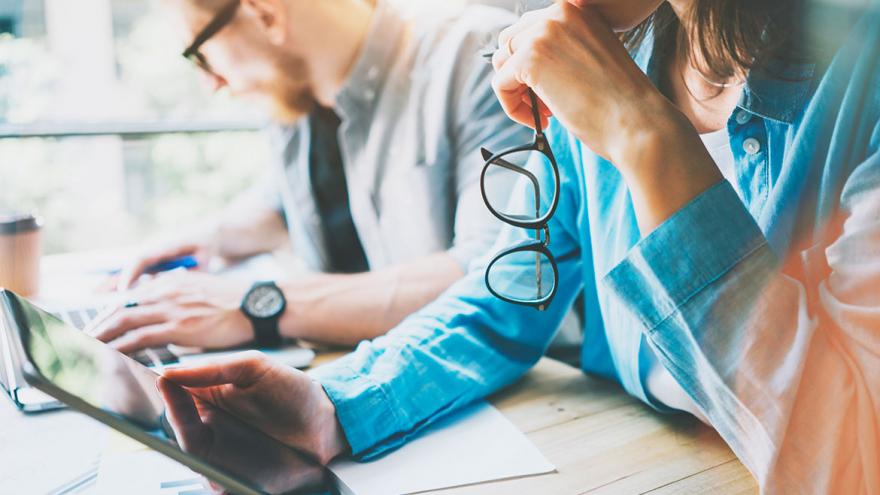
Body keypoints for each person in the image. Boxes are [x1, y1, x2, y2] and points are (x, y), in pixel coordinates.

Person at [160, 0, 880, 492]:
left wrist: (643, 135)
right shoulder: (607, 53)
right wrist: (335, 402)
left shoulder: (864, 73)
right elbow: (502, 297)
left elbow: (848, 457)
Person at [90, 0, 538, 353]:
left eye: (200, 55)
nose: (212, 83)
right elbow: (282, 203)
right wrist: (208, 240)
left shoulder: (479, 57)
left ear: (265, 14)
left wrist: (257, 304)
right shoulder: (293, 95)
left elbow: (497, 274)